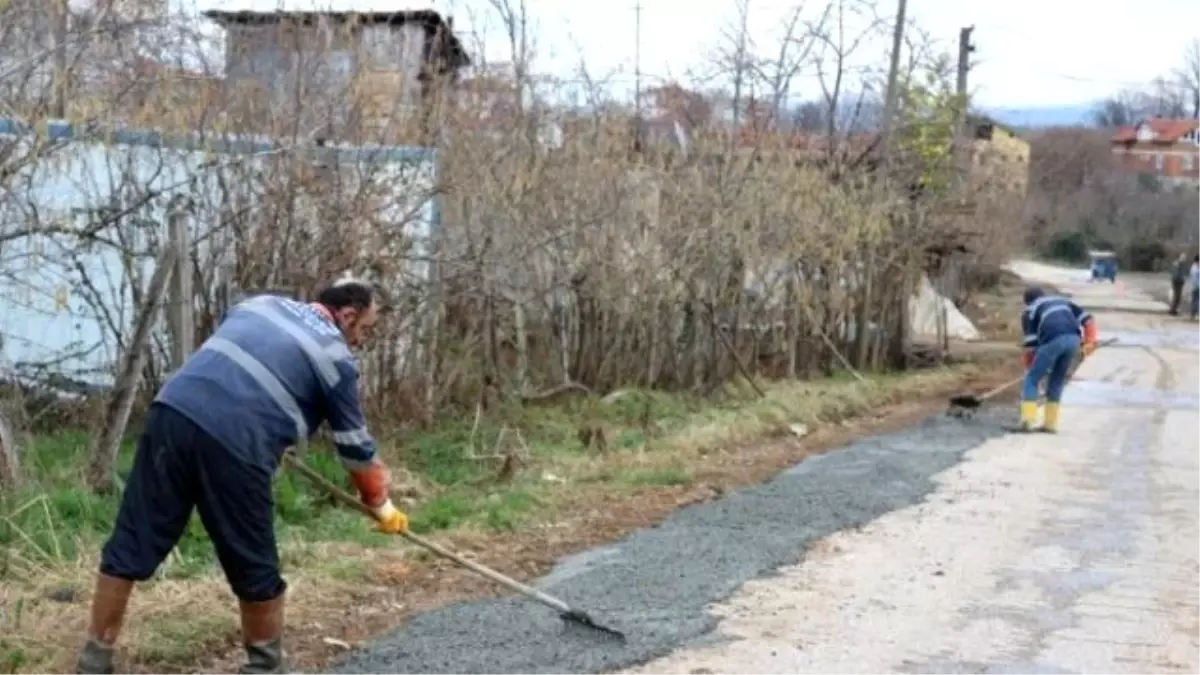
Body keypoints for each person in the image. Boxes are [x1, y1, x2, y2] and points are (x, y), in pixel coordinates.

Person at [75, 278, 407, 675]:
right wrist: (381, 505)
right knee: (253, 559)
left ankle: (93, 660)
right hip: (237, 443)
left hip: (171, 411)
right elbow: (356, 451)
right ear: (348, 316)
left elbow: (241, 365)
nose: (361, 341)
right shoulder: (336, 359)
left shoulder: (261, 304)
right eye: (364, 330)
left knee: (133, 538)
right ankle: (265, 667)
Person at [1019, 286, 1098, 433]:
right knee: (1056, 380)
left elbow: (1031, 345)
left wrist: (1031, 366)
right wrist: (1090, 342)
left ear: (1027, 302)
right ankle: (1050, 424)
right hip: (1074, 340)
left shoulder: (1029, 311)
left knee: (1031, 379)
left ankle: (1028, 421)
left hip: (1052, 340)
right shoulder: (1063, 301)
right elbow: (1088, 320)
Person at [1190, 255, 1200, 320]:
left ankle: (1194, 314)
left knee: (1196, 301)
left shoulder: (1198, 268)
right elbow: (1195, 280)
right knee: (1195, 301)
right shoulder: (1194, 269)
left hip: (1197, 287)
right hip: (1196, 288)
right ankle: (1193, 315)